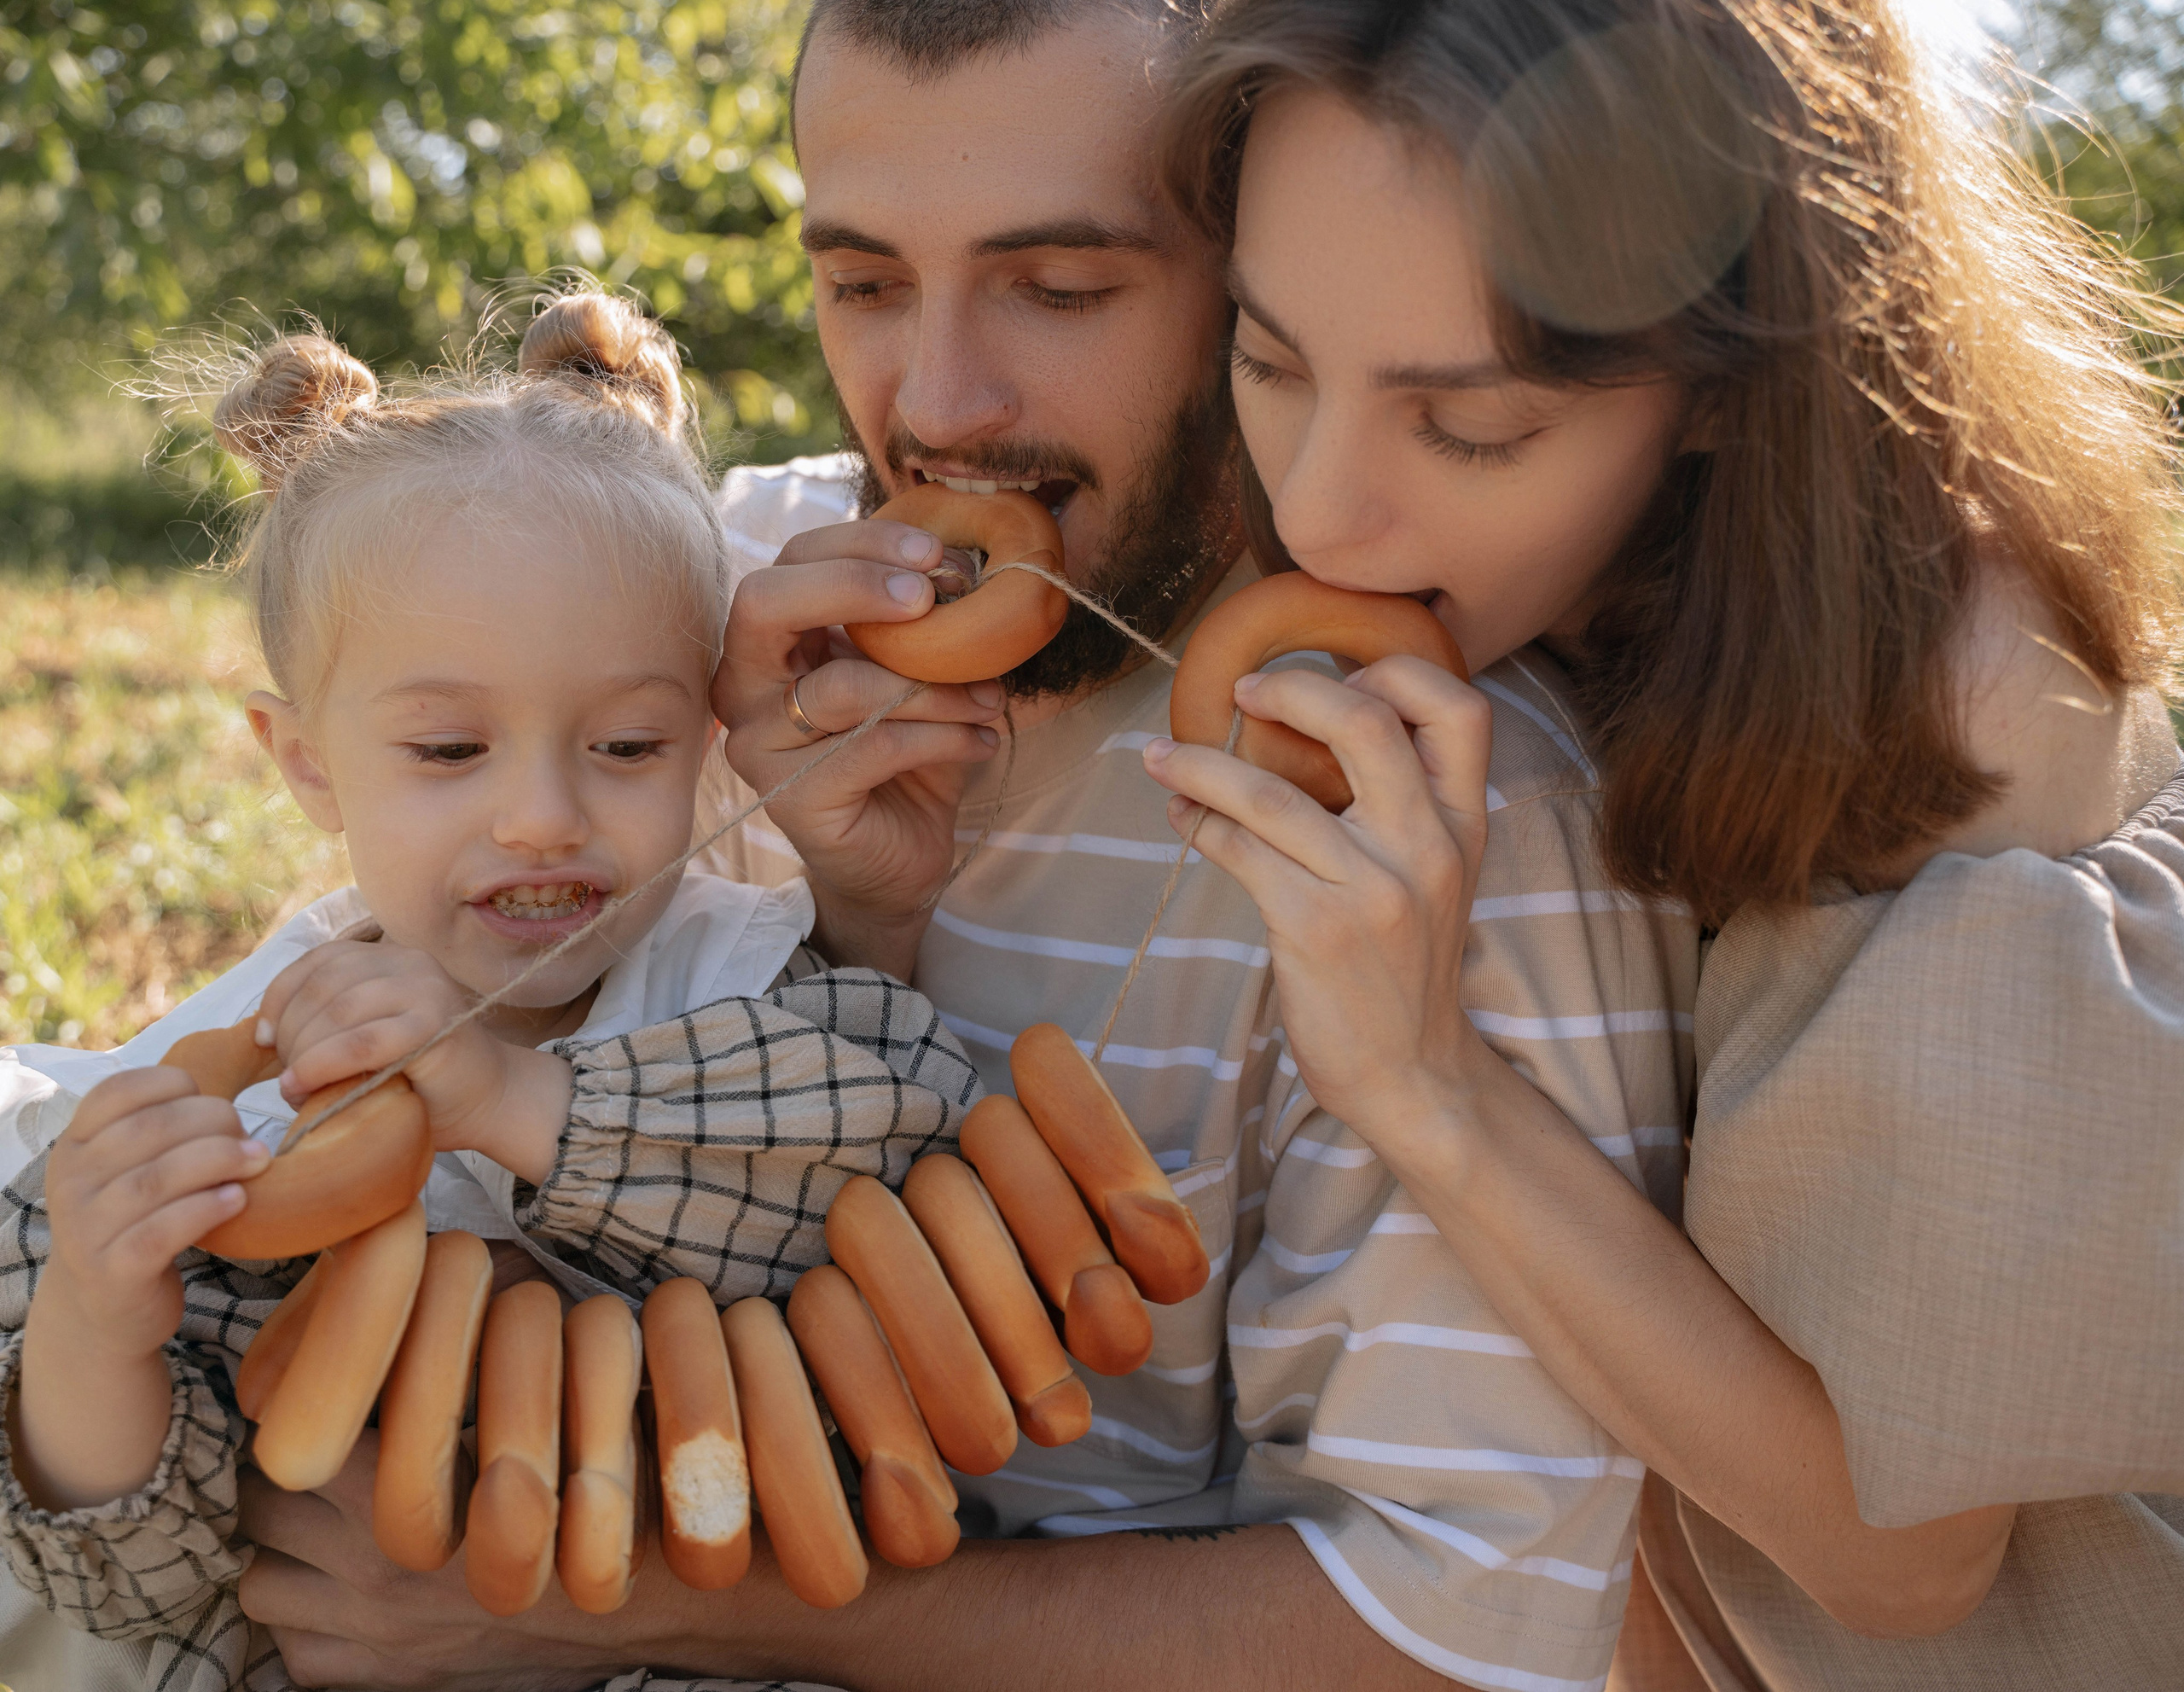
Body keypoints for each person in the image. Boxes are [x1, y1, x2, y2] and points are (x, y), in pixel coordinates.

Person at [235, 3, 1698, 1689]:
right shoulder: (692, 593)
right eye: (860, 283)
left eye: (1057, 288)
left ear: (1260, 286)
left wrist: (630, 1595)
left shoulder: (1429, 810)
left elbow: (1454, 1627)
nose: (931, 401)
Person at [1136, 1, 2184, 1688]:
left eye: (1467, 426)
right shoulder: (1443, 561)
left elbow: (1898, 1555)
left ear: (1722, 392)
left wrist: (1421, 1077)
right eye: (1267, 361)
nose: (1318, 510)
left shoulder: (1965, 688)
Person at [0, 292, 979, 1692]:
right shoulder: (250, 1064)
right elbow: (132, 1572)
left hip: (713, 1630)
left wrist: (510, 1098)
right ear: (308, 766)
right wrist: (94, 1322)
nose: (540, 816)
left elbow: (907, 1140)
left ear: (707, 739)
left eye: (627, 744)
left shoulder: (737, 976)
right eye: (451, 750)